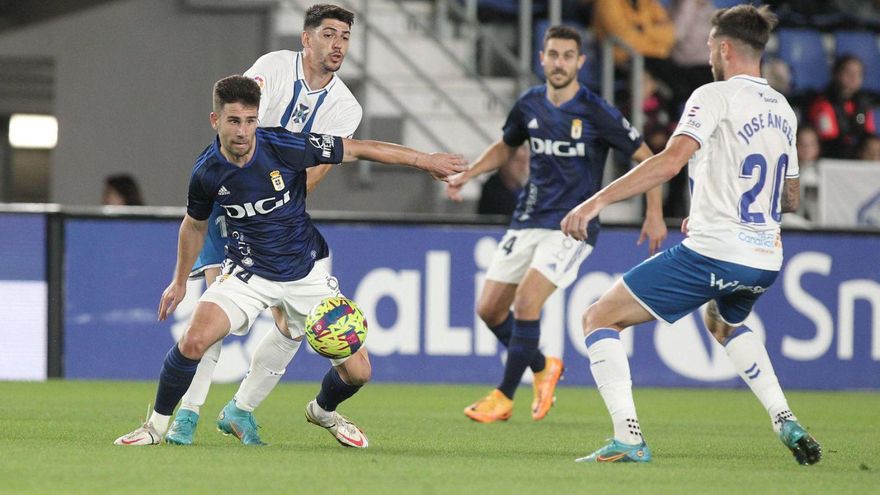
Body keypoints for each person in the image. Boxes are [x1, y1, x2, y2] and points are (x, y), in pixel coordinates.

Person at [113, 75, 466, 447]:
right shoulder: (206, 171)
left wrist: (424, 160)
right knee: (193, 339)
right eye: (234, 121)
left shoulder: (283, 145)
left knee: (359, 372)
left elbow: (360, 148)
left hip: (305, 273)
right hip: (248, 273)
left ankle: (322, 411)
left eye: (250, 120)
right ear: (215, 121)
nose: (243, 131)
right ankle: (155, 427)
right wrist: (180, 281)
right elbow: (194, 225)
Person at [560, 5, 822, 465]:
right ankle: (786, 419)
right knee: (721, 322)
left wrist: (594, 201)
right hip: (765, 257)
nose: (707, 57)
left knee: (598, 318)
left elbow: (668, 162)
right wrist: (715, 206)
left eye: (708, 48)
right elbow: (791, 198)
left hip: (717, 251)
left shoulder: (712, 95)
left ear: (723, 48)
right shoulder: (783, 109)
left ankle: (629, 438)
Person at [165, 4, 366, 447]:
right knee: (214, 310)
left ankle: (239, 410)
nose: (338, 45)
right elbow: (237, 126)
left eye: (345, 37)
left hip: (281, 214)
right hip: (230, 203)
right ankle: (187, 413)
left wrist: (280, 208)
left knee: (294, 324)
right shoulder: (272, 68)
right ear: (306, 38)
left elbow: (317, 171)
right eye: (329, 34)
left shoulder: (346, 107)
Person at [446, 25, 667, 424]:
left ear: (580, 62)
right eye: (553, 54)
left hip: (572, 225)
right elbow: (506, 146)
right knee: (489, 310)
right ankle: (544, 366)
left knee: (527, 302)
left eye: (568, 56)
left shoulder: (596, 110)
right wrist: (470, 174)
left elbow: (648, 158)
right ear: (541, 58)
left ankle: (504, 395)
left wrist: (653, 212)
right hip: (527, 218)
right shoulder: (529, 104)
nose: (560, 62)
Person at [808, 55, 877, 159]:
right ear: (836, 74)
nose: (853, 77)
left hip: (858, 156)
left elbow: (868, 135)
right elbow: (828, 139)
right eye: (848, 72)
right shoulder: (823, 102)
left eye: (858, 73)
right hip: (831, 157)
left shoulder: (864, 103)